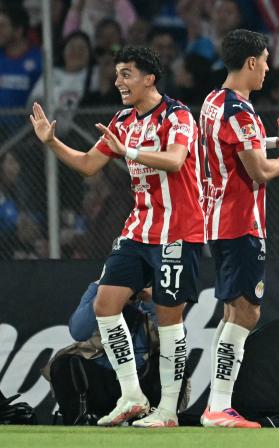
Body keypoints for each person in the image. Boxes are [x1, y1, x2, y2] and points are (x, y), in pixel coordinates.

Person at [30, 46, 205, 427]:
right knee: (105, 304)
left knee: (169, 321)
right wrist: (51, 142)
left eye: (127, 73)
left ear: (149, 79)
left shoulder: (177, 116)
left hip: (178, 231)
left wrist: (130, 151)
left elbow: (175, 160)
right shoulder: (124, 119)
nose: (118, 81)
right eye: (117, 73)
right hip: (138, 230)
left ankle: (169, 411)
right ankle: (131, 396)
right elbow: (90, 165)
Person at [198, 29, 279, 429]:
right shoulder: (241, 111)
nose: (267, 67)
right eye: (265, 60)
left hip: (217, 219)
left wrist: (273, 140)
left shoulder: (214, 102)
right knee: (246, 312)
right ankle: (219, 406)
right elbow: (260, 171)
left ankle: (217, 405)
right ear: (251, 62)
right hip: (241, 222)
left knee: (234, 310)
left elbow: (233, 148)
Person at [43, 281, 164, 425]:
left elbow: (176, 337)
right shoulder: (99, 287)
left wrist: (151, 302)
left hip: (142, 377)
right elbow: (78, 331)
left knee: (171, 361)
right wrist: (105, 296)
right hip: (101, 378)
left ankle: (155, 417)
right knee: (63, 364)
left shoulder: (157, 289)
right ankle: (78, 420)